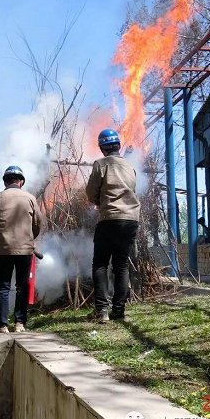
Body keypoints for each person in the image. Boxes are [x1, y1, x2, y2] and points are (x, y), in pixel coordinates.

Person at [85, 129, 141, 322]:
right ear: (118, 146)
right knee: (121, 265)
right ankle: (119, 311)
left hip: (109, 218)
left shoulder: (101, 164)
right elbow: (132, 189)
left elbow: (91, 191)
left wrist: (98, 202)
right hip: (131, 219)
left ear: (102, 148)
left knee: (100, 263)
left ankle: (101, 311)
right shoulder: (129, 166)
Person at [0, 166, 42, 334]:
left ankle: (2, 326)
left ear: (5, 181)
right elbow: (37, 224)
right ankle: (19, 323)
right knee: (22, 287)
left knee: (3, 287)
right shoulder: (30, 198)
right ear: (21, 182)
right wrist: (29, 239)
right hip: (25, 250)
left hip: (3, 250)